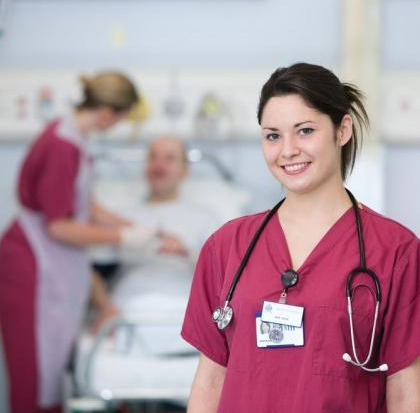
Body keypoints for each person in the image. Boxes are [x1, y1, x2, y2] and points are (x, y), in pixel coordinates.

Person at [181, 63, 420, 412]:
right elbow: (211, 378)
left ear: (343, 130)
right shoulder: (228, 246)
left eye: (305, 131)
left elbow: (405, 385)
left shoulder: (395, 251)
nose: (288, 150)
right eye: (273, 136)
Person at [0, 72, 172, 413]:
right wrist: (124, 238)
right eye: (121, 120)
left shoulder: (73, 139)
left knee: (47, 378)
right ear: (108, 114)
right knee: (34, 383)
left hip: (48, 266)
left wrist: (140, 229)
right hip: (32, 268)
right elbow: (60, 226)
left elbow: (83, 205)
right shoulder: (62, 146)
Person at [99, 136, 222, 317]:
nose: (159, 166)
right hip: (127, 309)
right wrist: (105, 309)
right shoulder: (120, 217)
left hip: (185, 309)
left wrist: (187, 253)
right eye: (153, 158)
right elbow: (93, 270)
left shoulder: (207, 219)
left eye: (169, 159)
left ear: (185, 170)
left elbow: (223, 276)